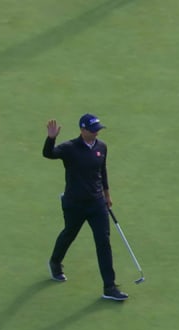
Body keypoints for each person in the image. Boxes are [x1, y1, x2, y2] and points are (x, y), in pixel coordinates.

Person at [42, 113, 129, 300]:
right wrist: (51, 138)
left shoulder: (102, 147)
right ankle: (55, 262)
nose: (96, 133)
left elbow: (102, 171)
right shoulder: (70, 148)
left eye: (98, 129)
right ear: (82, 130)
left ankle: (109, 287)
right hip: (74, 203)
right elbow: (49, 154)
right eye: (93, 130)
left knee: (103, 242)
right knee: (69, 233)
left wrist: (107, 195)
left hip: (97, 203)